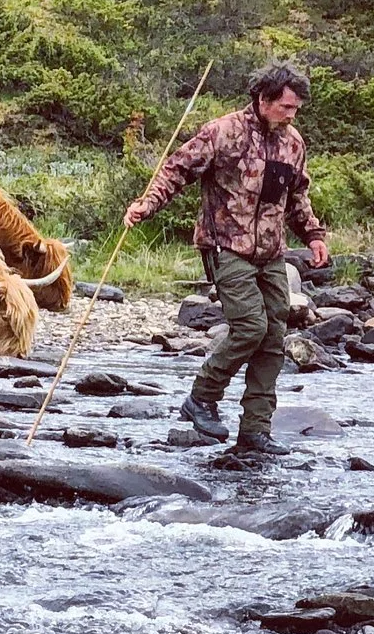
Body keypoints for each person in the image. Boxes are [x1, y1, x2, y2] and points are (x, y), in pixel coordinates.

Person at [122, 63, 330, 454]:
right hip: (225, 246)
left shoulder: (293, 144)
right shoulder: (223, 132)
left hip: (271, 252)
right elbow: (175, 170)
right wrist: (145, 206)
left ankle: (254, 430)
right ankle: (201, 397)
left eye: (296, 108)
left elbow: (297, 197)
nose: (292, 114)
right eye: (286, 106)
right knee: (251, 326)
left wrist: (314, 236)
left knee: (273, 337)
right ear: (263, 99)